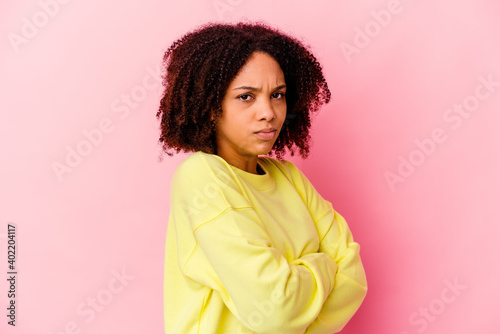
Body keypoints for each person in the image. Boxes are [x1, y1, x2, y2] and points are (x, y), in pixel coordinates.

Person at [157, 21, 367, 334]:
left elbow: (353, 281)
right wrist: (322, 264)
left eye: (277, 95)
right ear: (212, 106)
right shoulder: (203, 177)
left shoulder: (289, 177)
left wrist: (295, 293)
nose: (268, 112)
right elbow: (274, 307)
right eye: (246, 97)